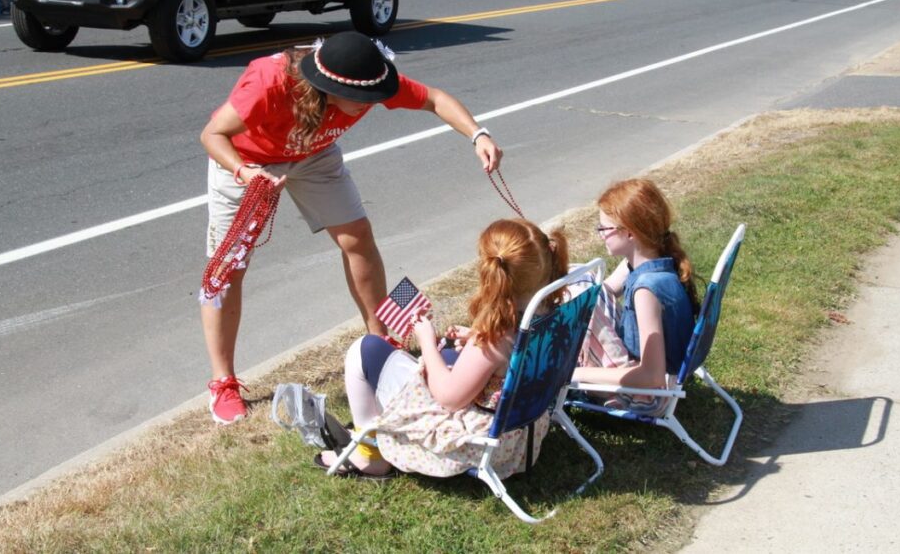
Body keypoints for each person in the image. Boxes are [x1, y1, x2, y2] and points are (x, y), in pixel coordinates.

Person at [198, 32, 503, 424]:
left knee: (357, 237)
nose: (373, 103)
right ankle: (223, 382)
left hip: (313, 155)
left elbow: (435, 99)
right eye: (363, 99)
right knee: (227, 269)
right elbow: (212, 133)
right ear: (330, 88)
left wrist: (478, 134)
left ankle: (381, 345)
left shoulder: (368, 78)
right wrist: (245, 171)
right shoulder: (269, 82)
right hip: (245, 160)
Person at [315, 218, 569, 478]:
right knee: (447, 352)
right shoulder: (550, 309)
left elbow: (449, 398)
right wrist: (473, 339)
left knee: (365, 350)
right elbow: (507, 359)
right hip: (523, 431)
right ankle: (372, 434)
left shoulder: (499, 334)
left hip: (483, 444)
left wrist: (426, 341)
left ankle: (369, 456)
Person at [571, 179, 698, 412]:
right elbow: (602, 291)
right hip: (662, 378)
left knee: (580, 302)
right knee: (585, 286)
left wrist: (576, 373)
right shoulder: (653, 258)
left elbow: (652, 376)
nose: (600, 235)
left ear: (630, 233)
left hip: (651, 394)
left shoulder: (646, 290)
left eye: (604, 229)